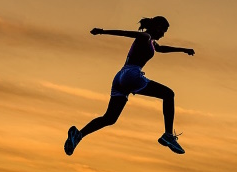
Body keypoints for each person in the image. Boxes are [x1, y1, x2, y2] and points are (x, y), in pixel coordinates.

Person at [64, 16, 195, 156]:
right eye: (163, 30)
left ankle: (79, 135)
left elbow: (161, 49)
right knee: (168, 94)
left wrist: (183, 49)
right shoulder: (145, 36)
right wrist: (102, 31)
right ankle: (168, 135)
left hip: (120, 77)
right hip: (132, 74)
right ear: (156, 27)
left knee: (110, 118)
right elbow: (125, 33)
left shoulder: (151, 41)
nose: (163, 34)